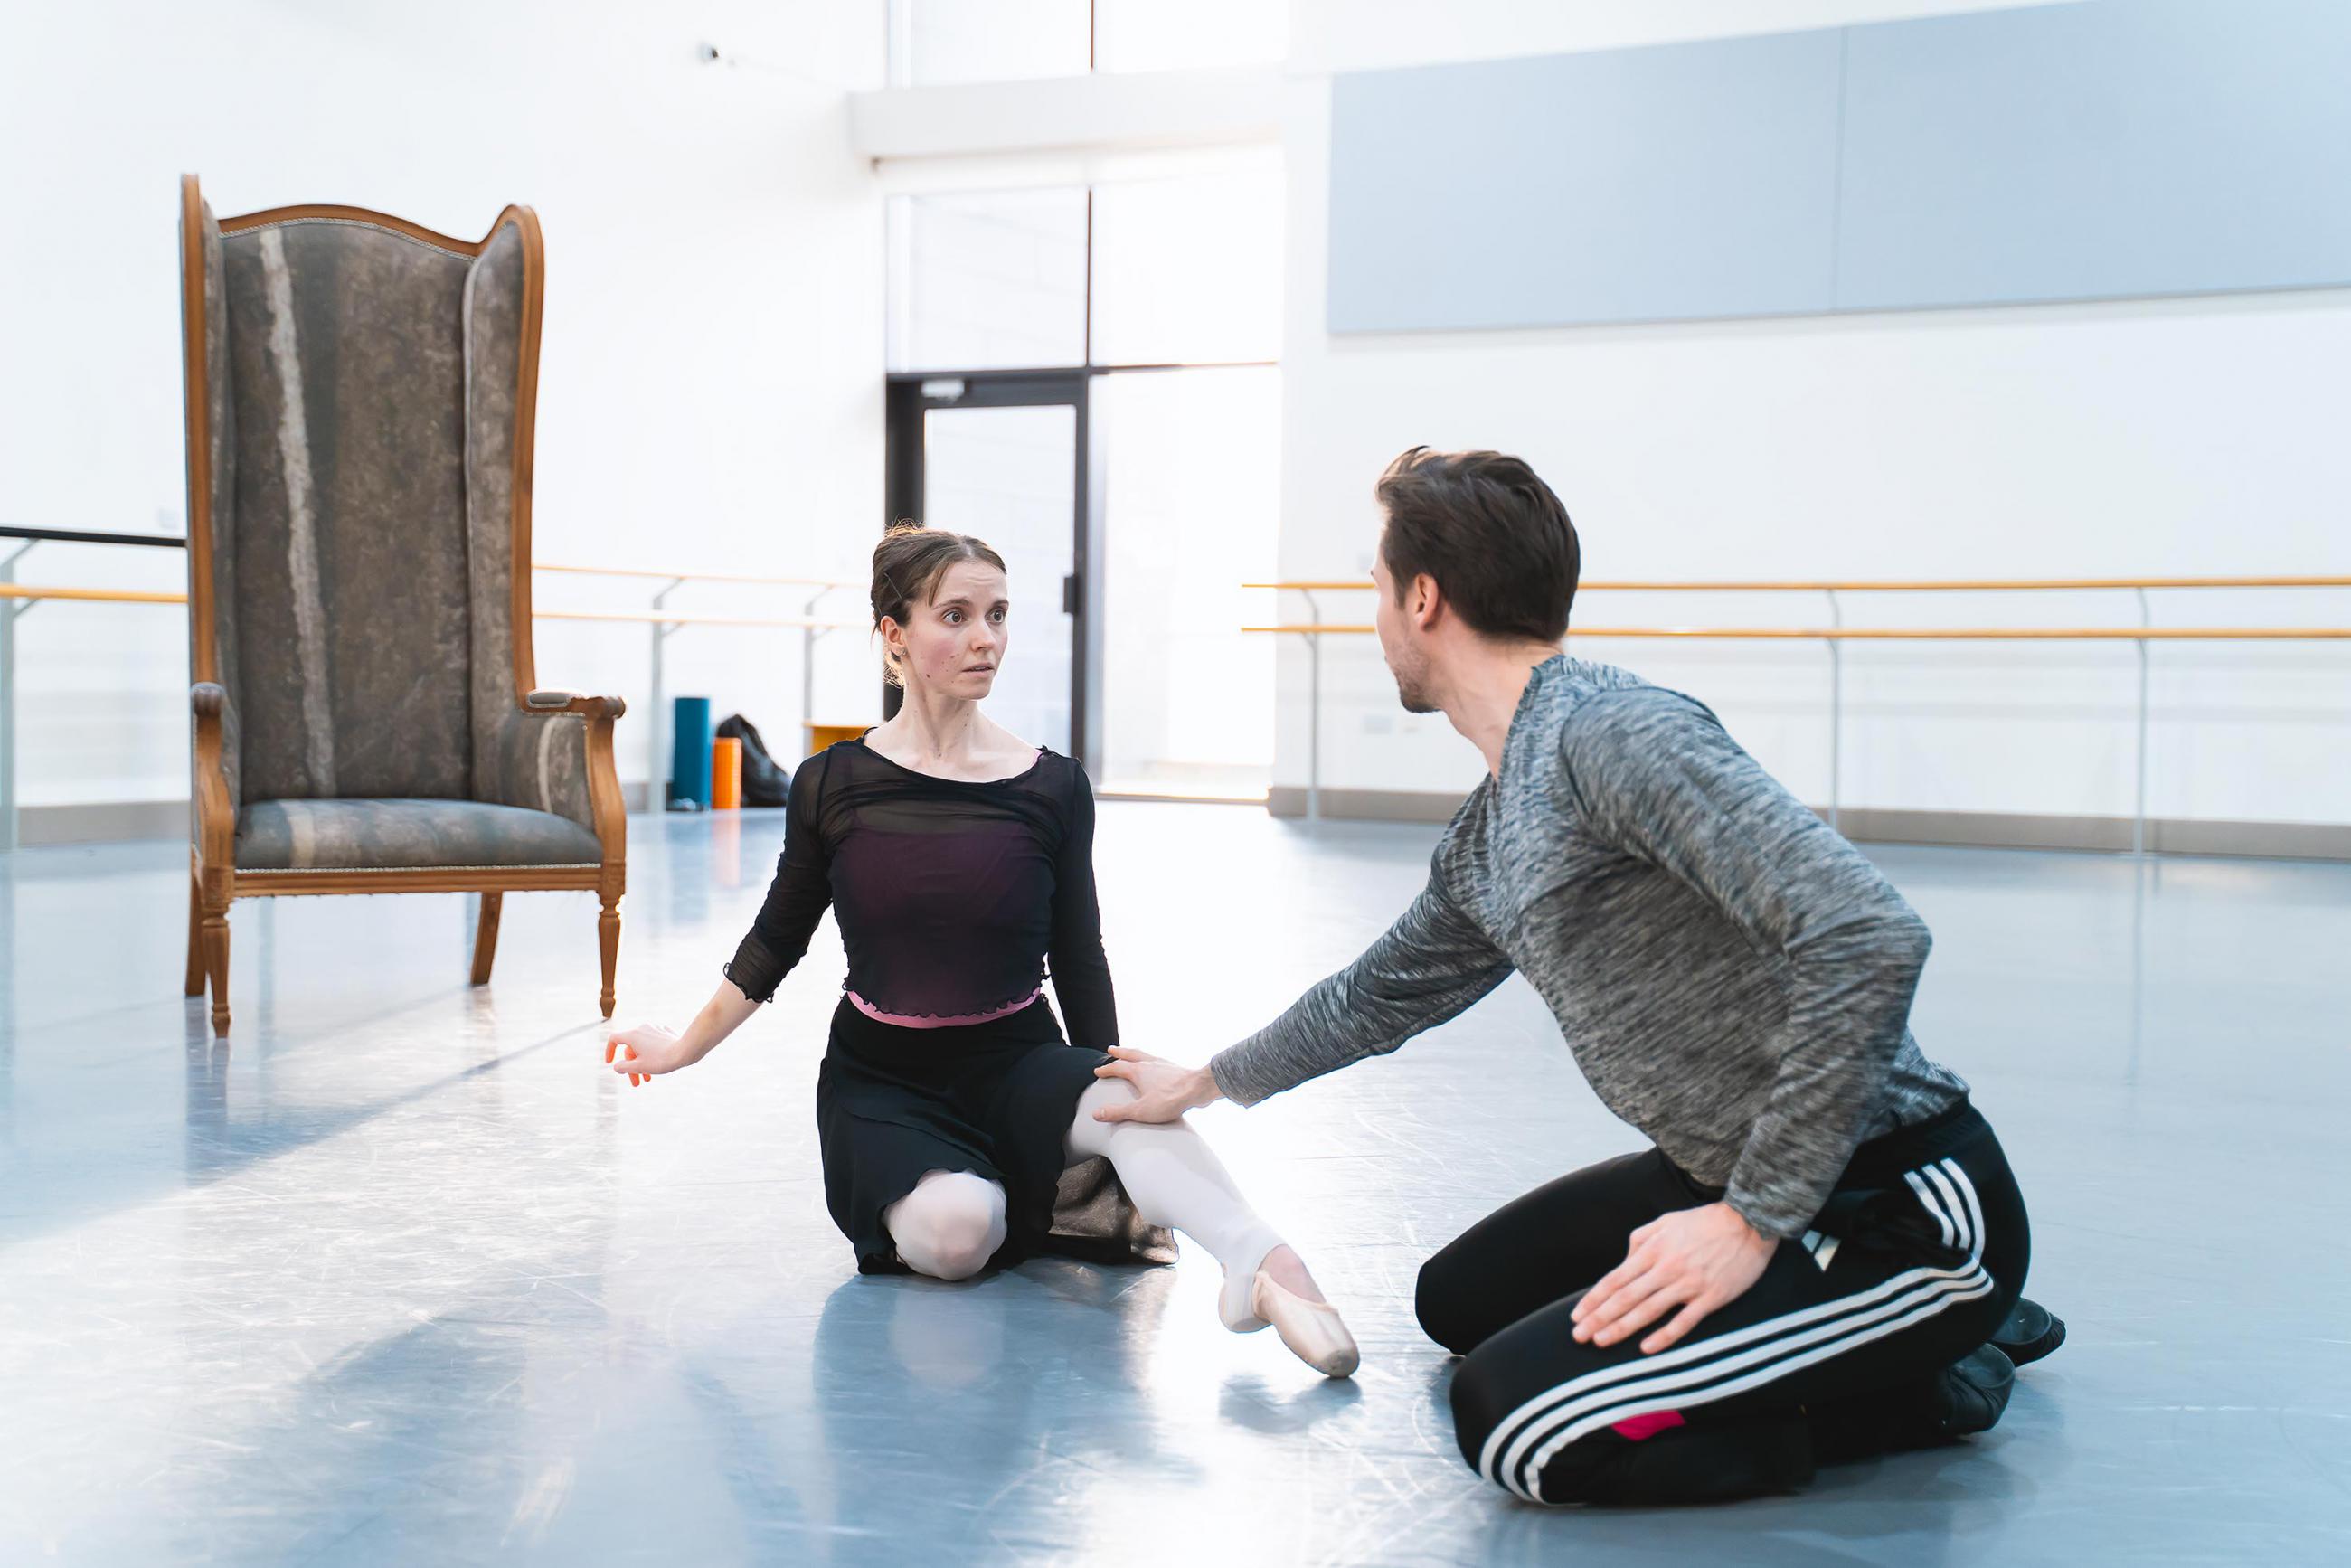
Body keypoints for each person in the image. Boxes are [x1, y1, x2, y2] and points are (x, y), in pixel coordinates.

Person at [1093, 448, 2066, 1504]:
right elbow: (1381, 992)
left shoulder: (1611, 734)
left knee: (1518, 1426)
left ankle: (1927, 1363)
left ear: (1423, 599)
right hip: (1713, 1170)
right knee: (1457, 1302)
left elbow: (1867, 934)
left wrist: (1750, 1223)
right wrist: (1202, 1083)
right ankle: (1839, 1327)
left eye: (1374, 587)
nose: (1369, 616)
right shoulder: (1494, 820)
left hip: (1894, 1203)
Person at [601, 524, 1358, 1379]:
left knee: (1130, 1114)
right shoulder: (831, 784)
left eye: (997, 615)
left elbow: (1080, 951)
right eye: (955, 616)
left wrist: (1108, 1074)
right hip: (885, 1078)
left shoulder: (1051, 785)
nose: (984, 638)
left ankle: (1265, 1262)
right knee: (957, 1237)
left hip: (1016, 1053)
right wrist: (681, 1049)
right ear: (894, 634)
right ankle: (997, 1187)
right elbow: (777, 939)